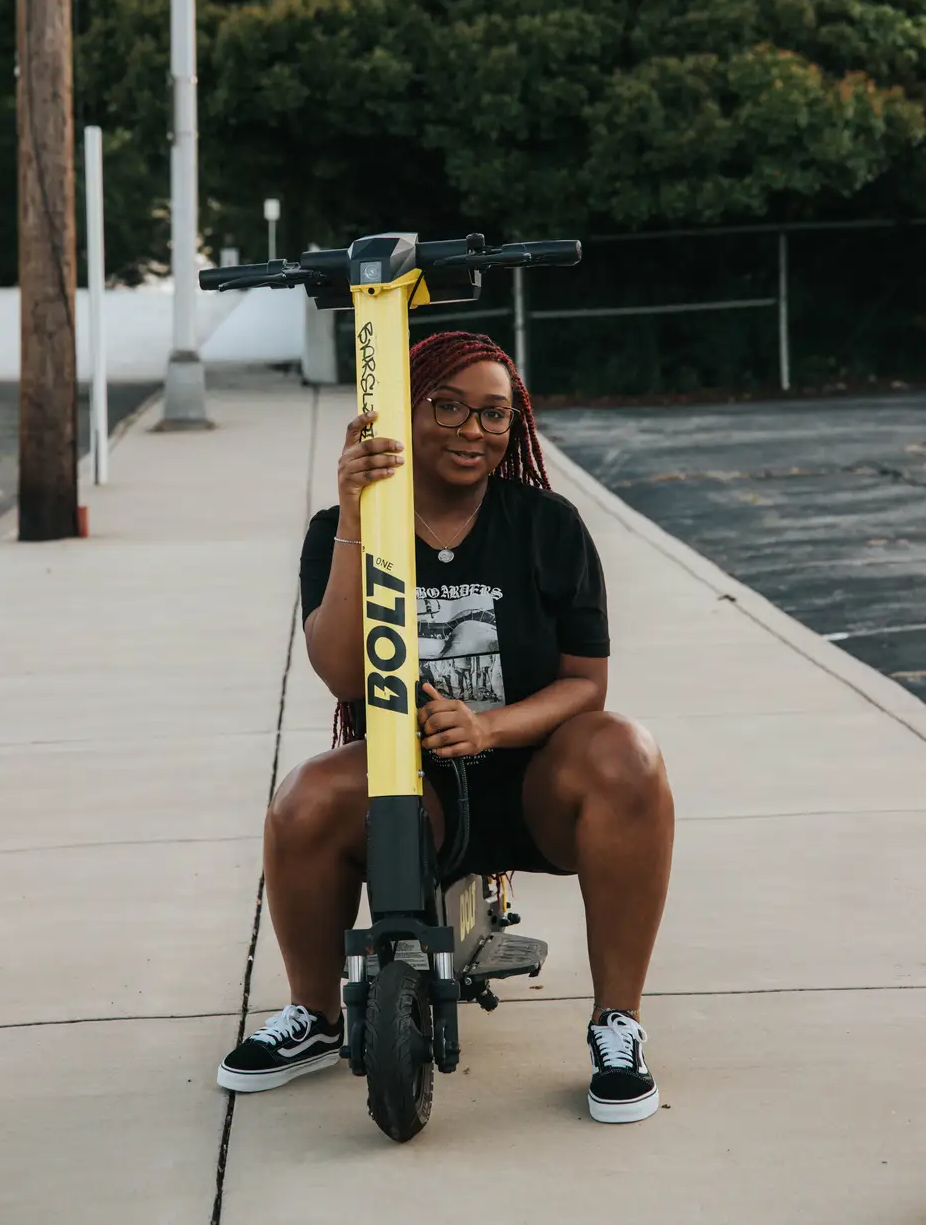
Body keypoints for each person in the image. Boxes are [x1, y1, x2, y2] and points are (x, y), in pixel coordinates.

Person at [217, 331, 675, 1123]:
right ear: (407, 414)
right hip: (409, 786)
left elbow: (585, 686)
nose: (473, 431)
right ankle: (316, 1016)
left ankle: (618, 1023)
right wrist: (360, 516)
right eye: (450, 407)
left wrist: (492, 727)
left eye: (494, 415)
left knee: (627, 755)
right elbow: (339, 672)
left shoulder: (545, 524)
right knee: (303, 800)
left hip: (537, 782)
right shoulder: (339, 528)